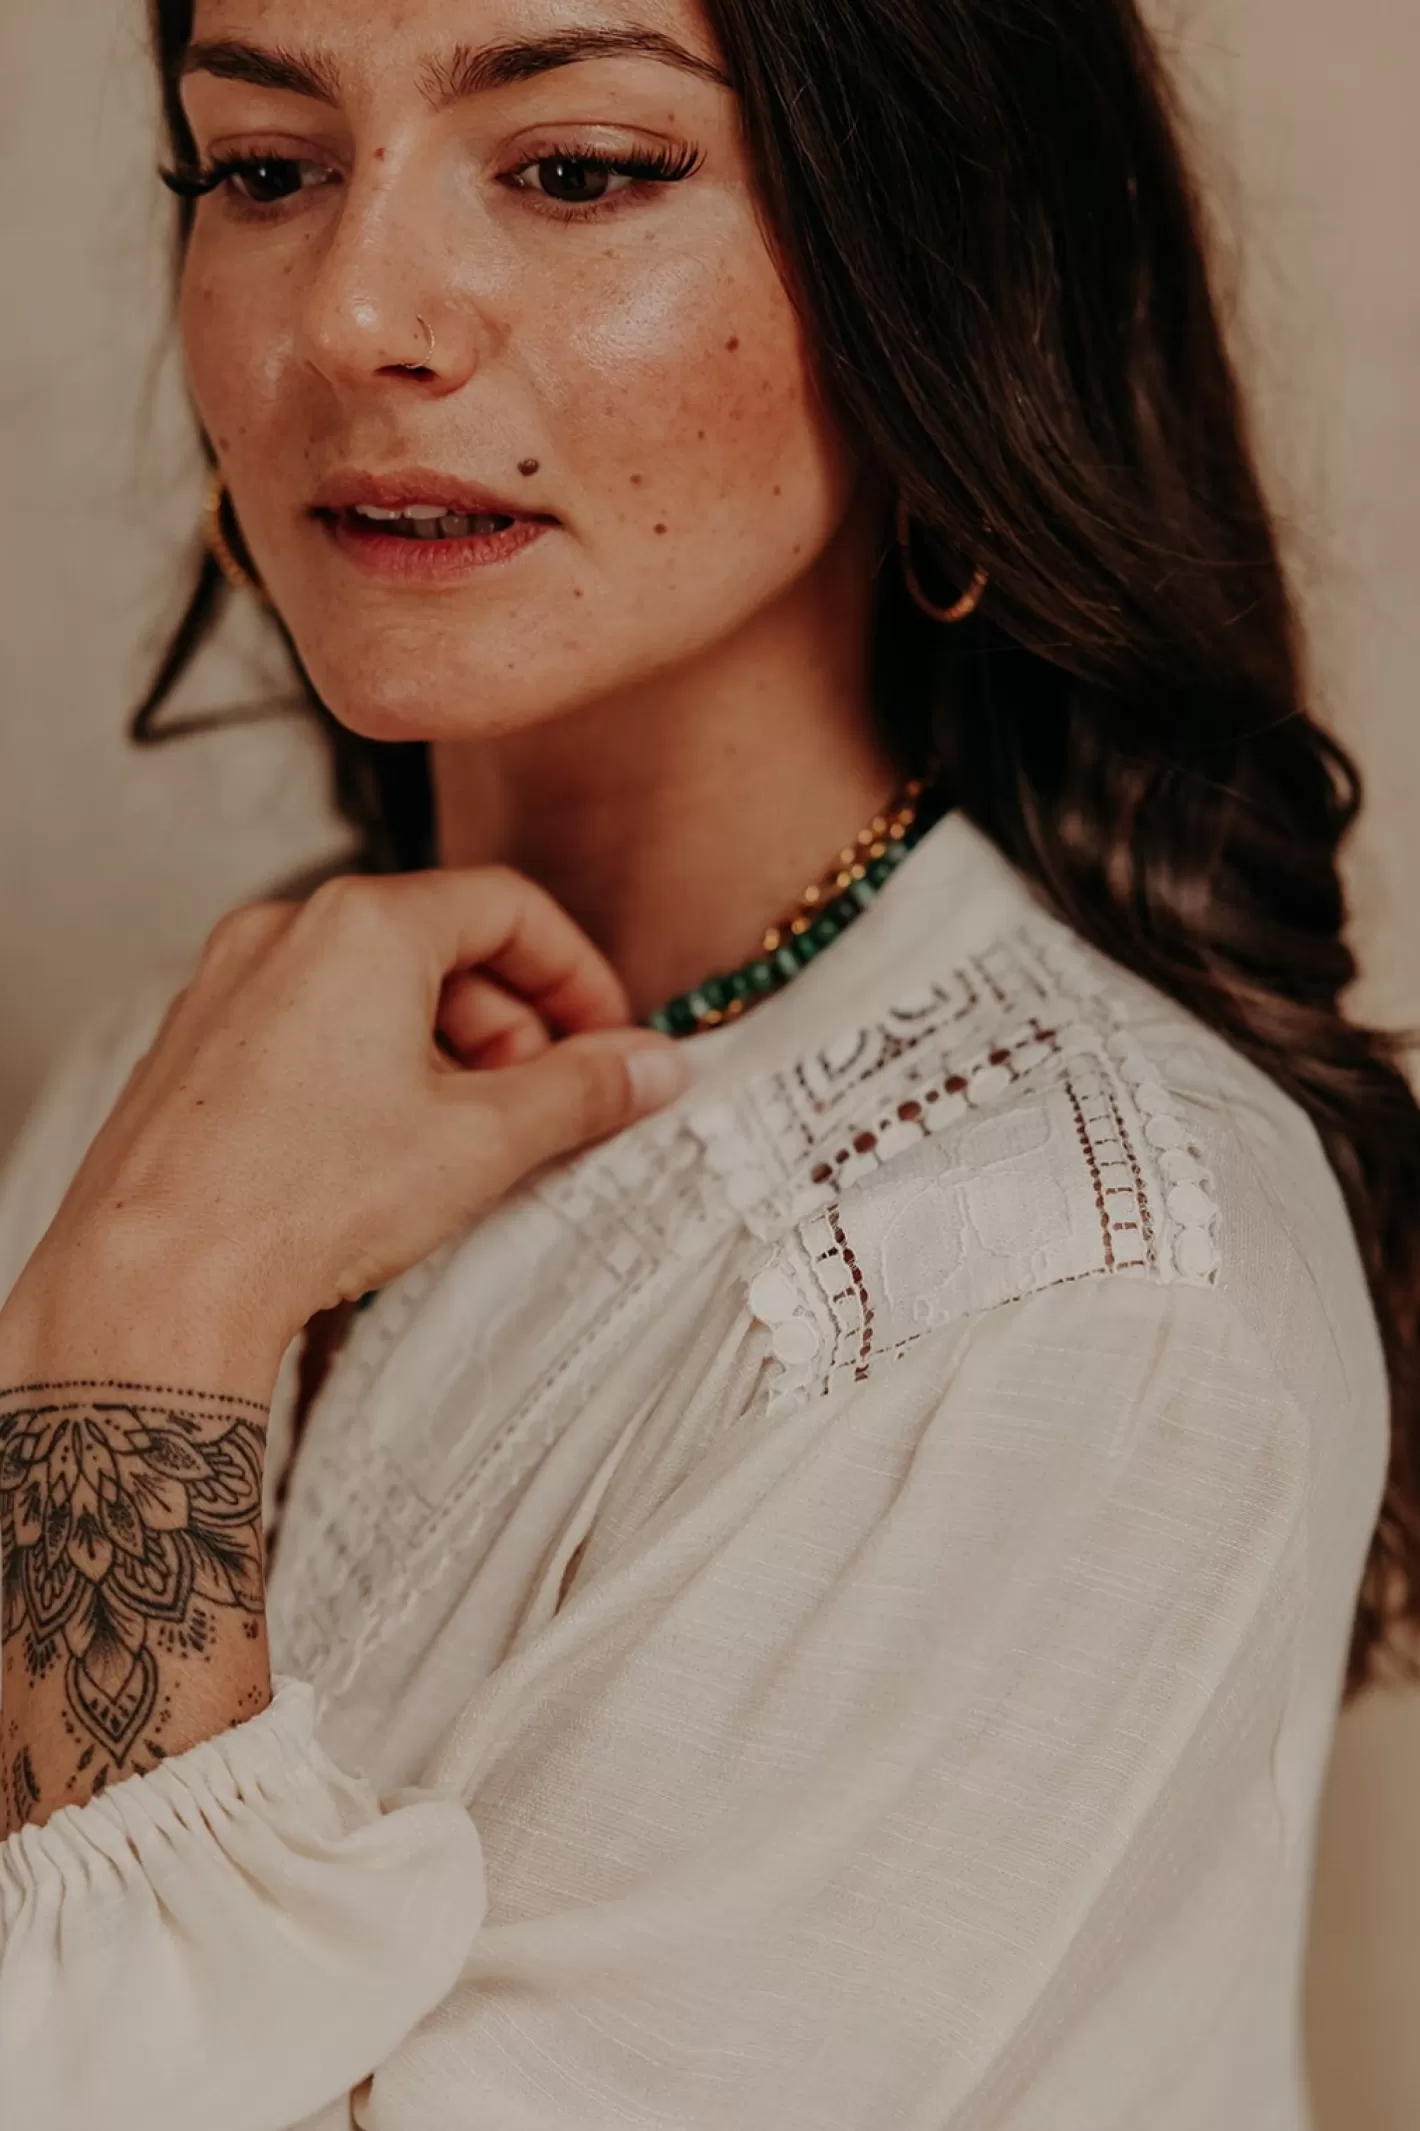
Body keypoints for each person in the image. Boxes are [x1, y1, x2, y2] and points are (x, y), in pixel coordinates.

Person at [2, 0, 1418, 2122]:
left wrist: (140, 1330)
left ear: (935, 260)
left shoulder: (1073, 1285)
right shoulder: (187, 1077)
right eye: (267, 169)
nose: (353, 316)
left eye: (579, 170)